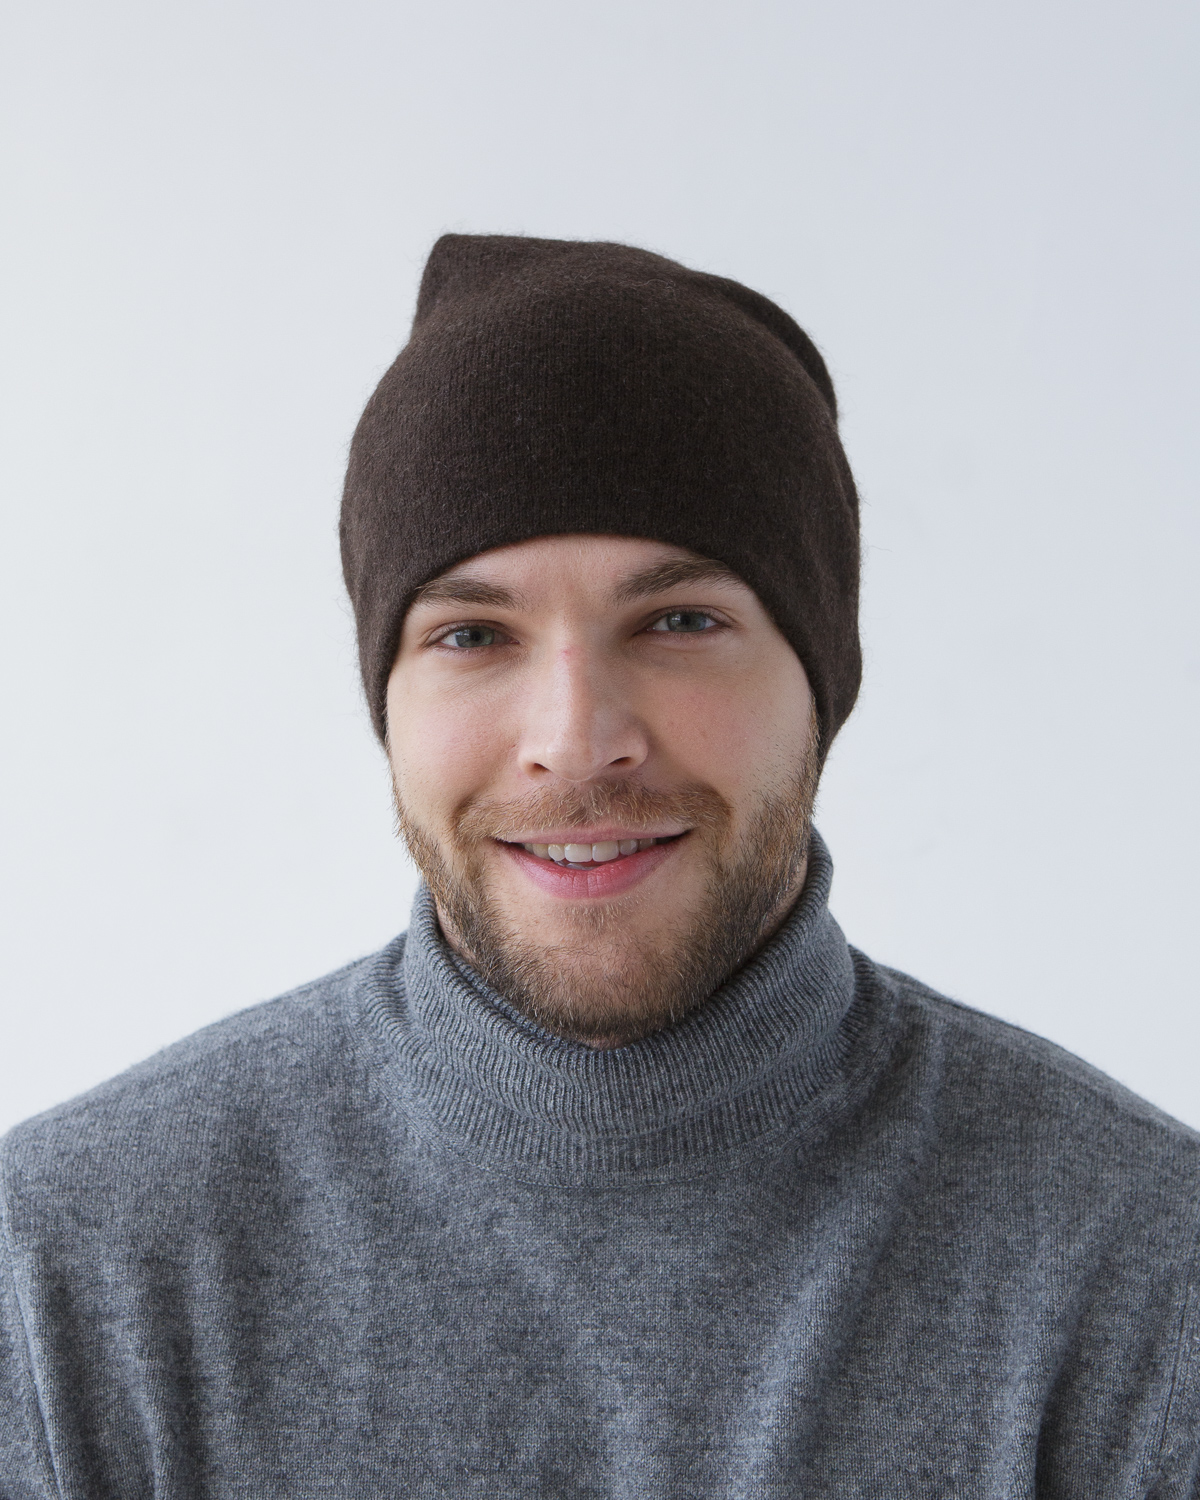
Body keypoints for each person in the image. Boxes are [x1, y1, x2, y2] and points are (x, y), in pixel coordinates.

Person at [2, 234, 1197, 1498]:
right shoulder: (70, 1276)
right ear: (387, 701)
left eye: (679, 621)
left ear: (821, 683)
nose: (576, 740)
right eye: (472, 634)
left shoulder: (1144, 1278)